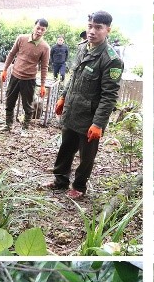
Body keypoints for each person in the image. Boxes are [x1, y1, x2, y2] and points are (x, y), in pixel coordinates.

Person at [43, 11, 123, 199]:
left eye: (98, 27)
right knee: (66, 148)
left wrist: (98, 123)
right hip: (73, 110)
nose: (92, 31)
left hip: (90, 117)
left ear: (107, 30)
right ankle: (60, 180)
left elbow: (109, 95)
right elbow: (73, 77)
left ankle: (79, 186)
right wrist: (63, 97)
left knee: (87, 156)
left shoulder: (111, 59)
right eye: (90, 26)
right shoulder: (82, 48)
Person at [1, 18, 50, 135]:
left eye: (42, 30)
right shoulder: (21, 38)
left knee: (27, 105)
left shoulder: (45, 47)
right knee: (9, 101)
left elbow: (44, 67)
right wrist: (5, 69)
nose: (39, 31)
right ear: (34, 26)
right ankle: (8, 125)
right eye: (38, 28)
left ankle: (25, 128)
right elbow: (12, 54)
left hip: (29, 79)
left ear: (45, 31)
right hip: (15, 75)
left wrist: (43, 85)